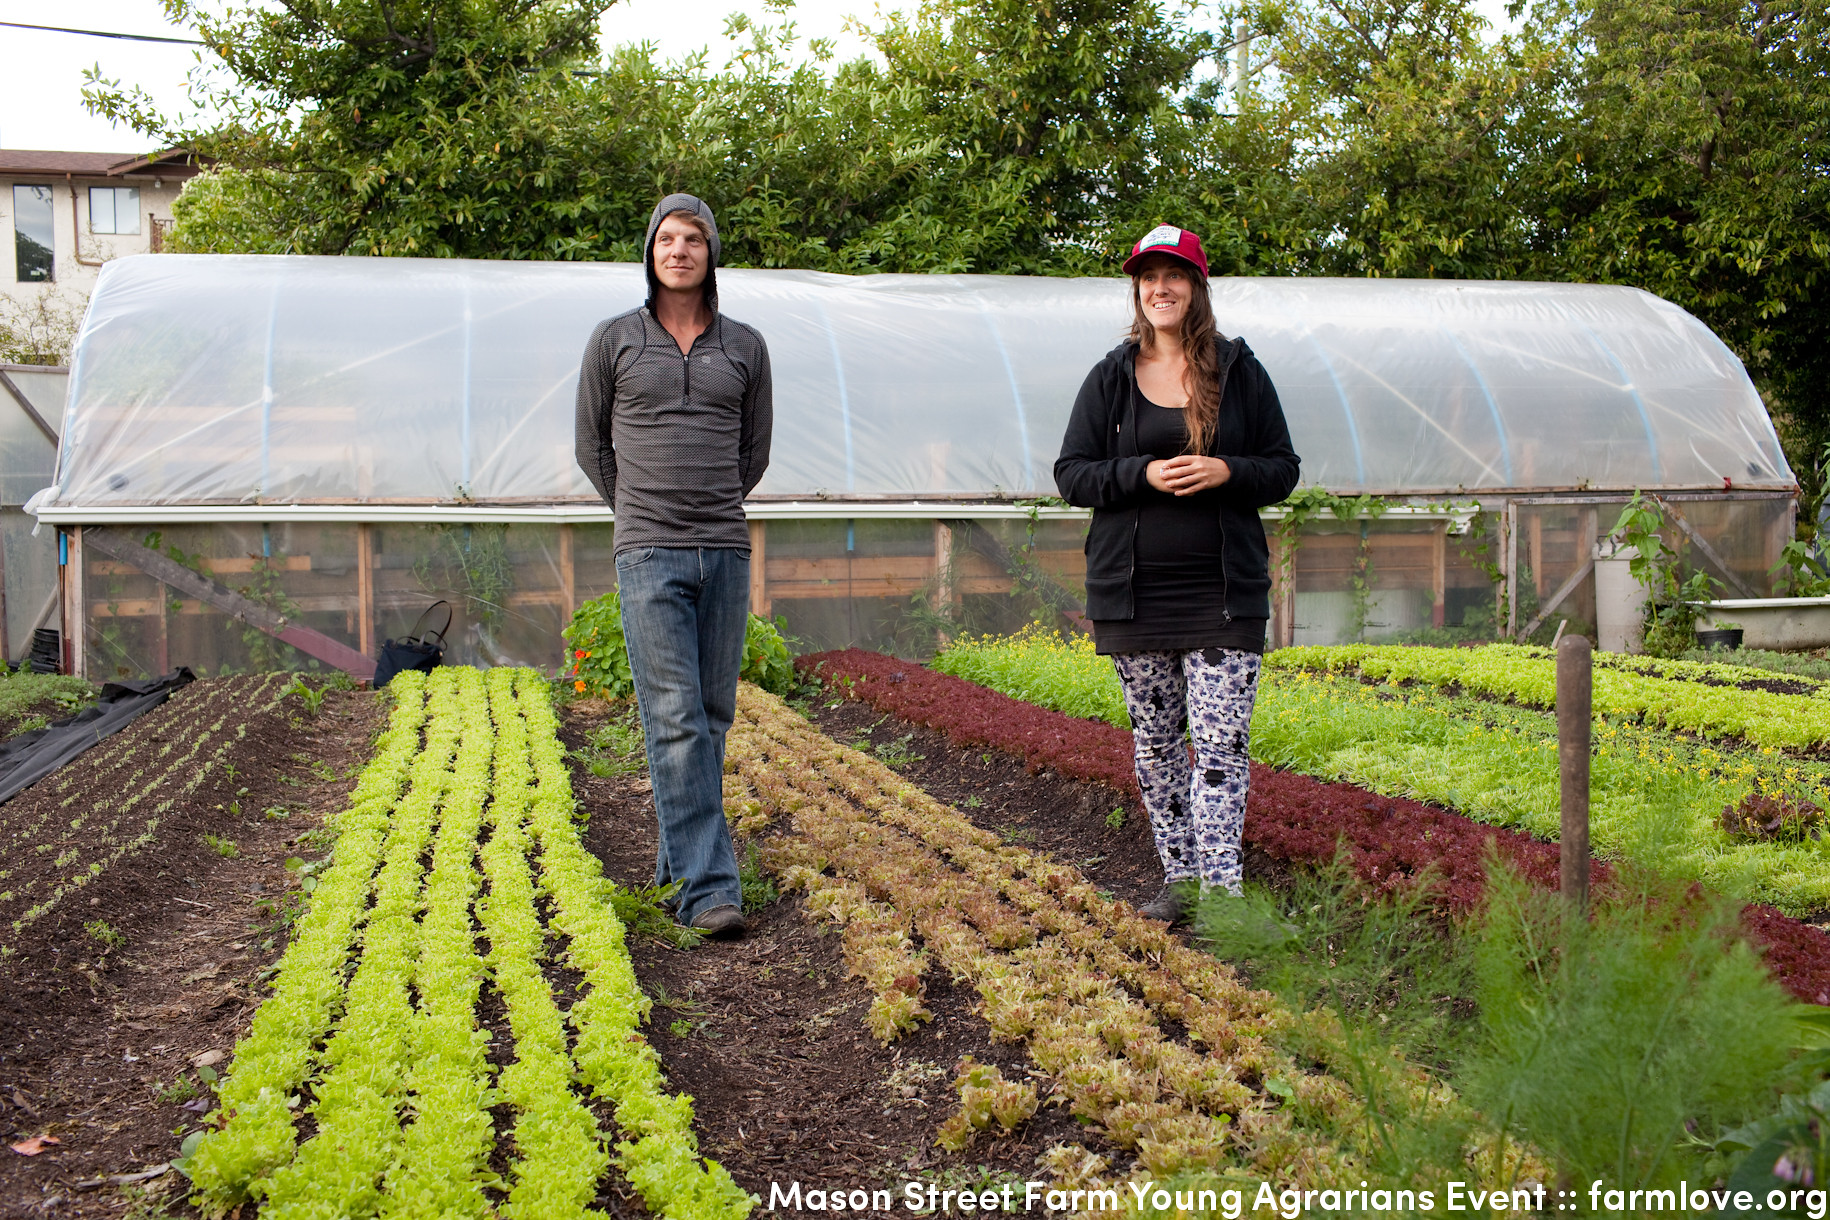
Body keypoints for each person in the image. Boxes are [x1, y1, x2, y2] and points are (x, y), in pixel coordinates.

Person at [1053, 224, 1300, 925]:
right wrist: (1142, 472)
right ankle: (1181, 880)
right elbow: (1072, 474)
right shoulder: (1111, 375)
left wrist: (1228, 469)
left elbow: (1283, 467)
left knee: (1221, 747)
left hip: (1224, 593)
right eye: (1148, 276)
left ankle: (1222, 895)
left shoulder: (1238, 371)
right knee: (1158, 746)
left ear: (1196, 287)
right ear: (1138, 290)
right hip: (1134, 596)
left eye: (1175, 275)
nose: (1160, 287)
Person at [575, 193, 773, 939]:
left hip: (723, 545)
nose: (680, 249)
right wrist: (640, 512)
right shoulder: (615, 341)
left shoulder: (745, 347)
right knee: (674, 718)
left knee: (712, 717)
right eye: (668, 237)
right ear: (651, 252)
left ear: (710, 253)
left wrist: (709, 504)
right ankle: (708, 890)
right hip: (648, 550)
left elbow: (753, 452)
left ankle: (673, 866)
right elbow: (592, 446)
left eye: (694, 238)